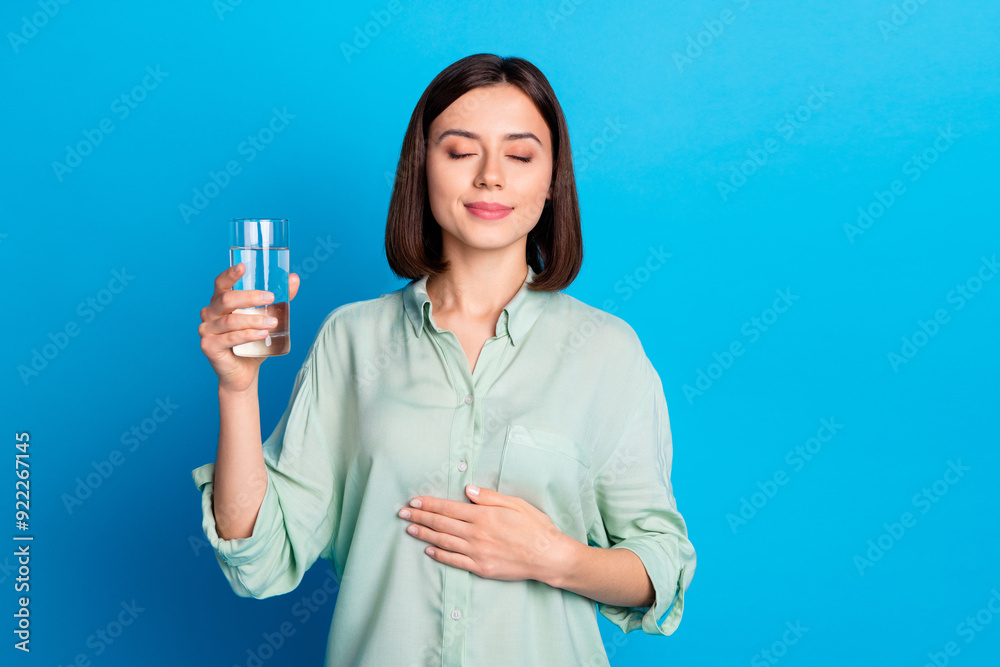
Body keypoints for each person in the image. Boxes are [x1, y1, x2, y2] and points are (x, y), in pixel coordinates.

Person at [192, 53, 696, 667]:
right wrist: (237, 389)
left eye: (520, 155)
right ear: (421, 169)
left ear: (552, 181)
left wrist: (555, 557)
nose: (490, 177)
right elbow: (259, 558)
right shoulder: (352, 339)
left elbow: (660, 567)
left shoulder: (606, 351)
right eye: (460, 152)